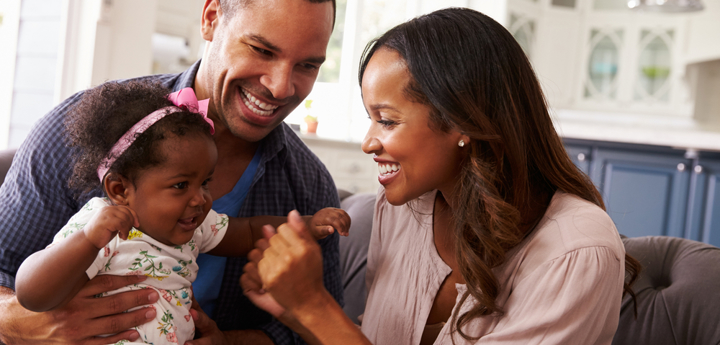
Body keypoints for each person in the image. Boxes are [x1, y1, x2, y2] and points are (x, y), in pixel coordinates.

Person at [241, 7, 641, 345]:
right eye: (370, 119)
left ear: (463, 120)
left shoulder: (576, 250)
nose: (369, 143)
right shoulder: (401, 209)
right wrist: (294, 309)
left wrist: (315, 304)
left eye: (387, 120)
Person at [0, 0, 340, 344]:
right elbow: (9, 271)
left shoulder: (308, 185)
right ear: (211, 18)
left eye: (308, 65)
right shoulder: (77, 141)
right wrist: (19, 323)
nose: (281, 87)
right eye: (262, 50)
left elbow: (317, 331)